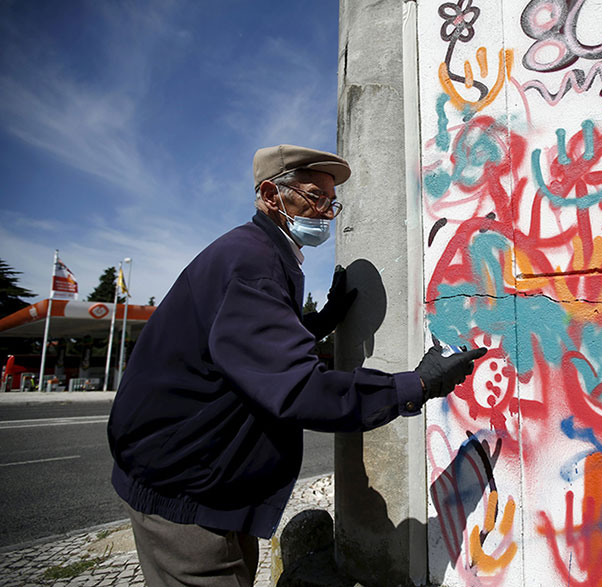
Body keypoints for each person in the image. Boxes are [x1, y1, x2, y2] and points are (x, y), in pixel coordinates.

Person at [107, 144, 486, 586]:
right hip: (186, 491)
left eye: (331, 202)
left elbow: (242, 347)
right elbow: (298, 388)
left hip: (206, 484)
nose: (325, 213)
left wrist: (319, 322)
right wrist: (417, 384)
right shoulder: (253, 263)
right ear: (271, 194)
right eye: (313, 197)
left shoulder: (258, 253)